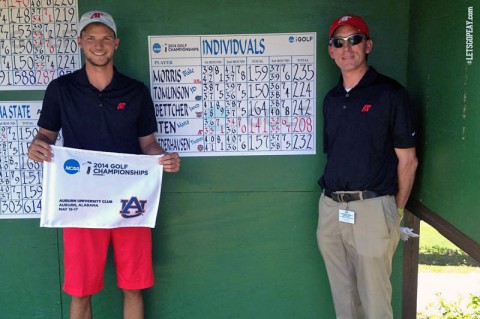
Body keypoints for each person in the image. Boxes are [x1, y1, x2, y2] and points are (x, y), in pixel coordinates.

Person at [28, 10, 180, 319]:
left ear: (116, 43)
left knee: (134, 286)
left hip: (131, 200)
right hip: (80, 200)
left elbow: (147, 144)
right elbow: (45, 135)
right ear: (81, 42)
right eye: (92, 39)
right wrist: (37, 146)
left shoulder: (135, 91)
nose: (99, 46)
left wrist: (163, 158)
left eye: (106, 39)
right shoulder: (61, 89)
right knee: (80, 290)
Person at [316, 15, 418, 319]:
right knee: (343, 297)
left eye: (355, 39)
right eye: (339, 42)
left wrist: (393, 211)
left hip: (373, 206)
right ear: (331, 51)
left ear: (368, 45)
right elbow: (336, 154)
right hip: (331, 207)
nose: (347, 48)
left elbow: (408, 161)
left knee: (374, 300)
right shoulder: (332, 99)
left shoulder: (390, 93)